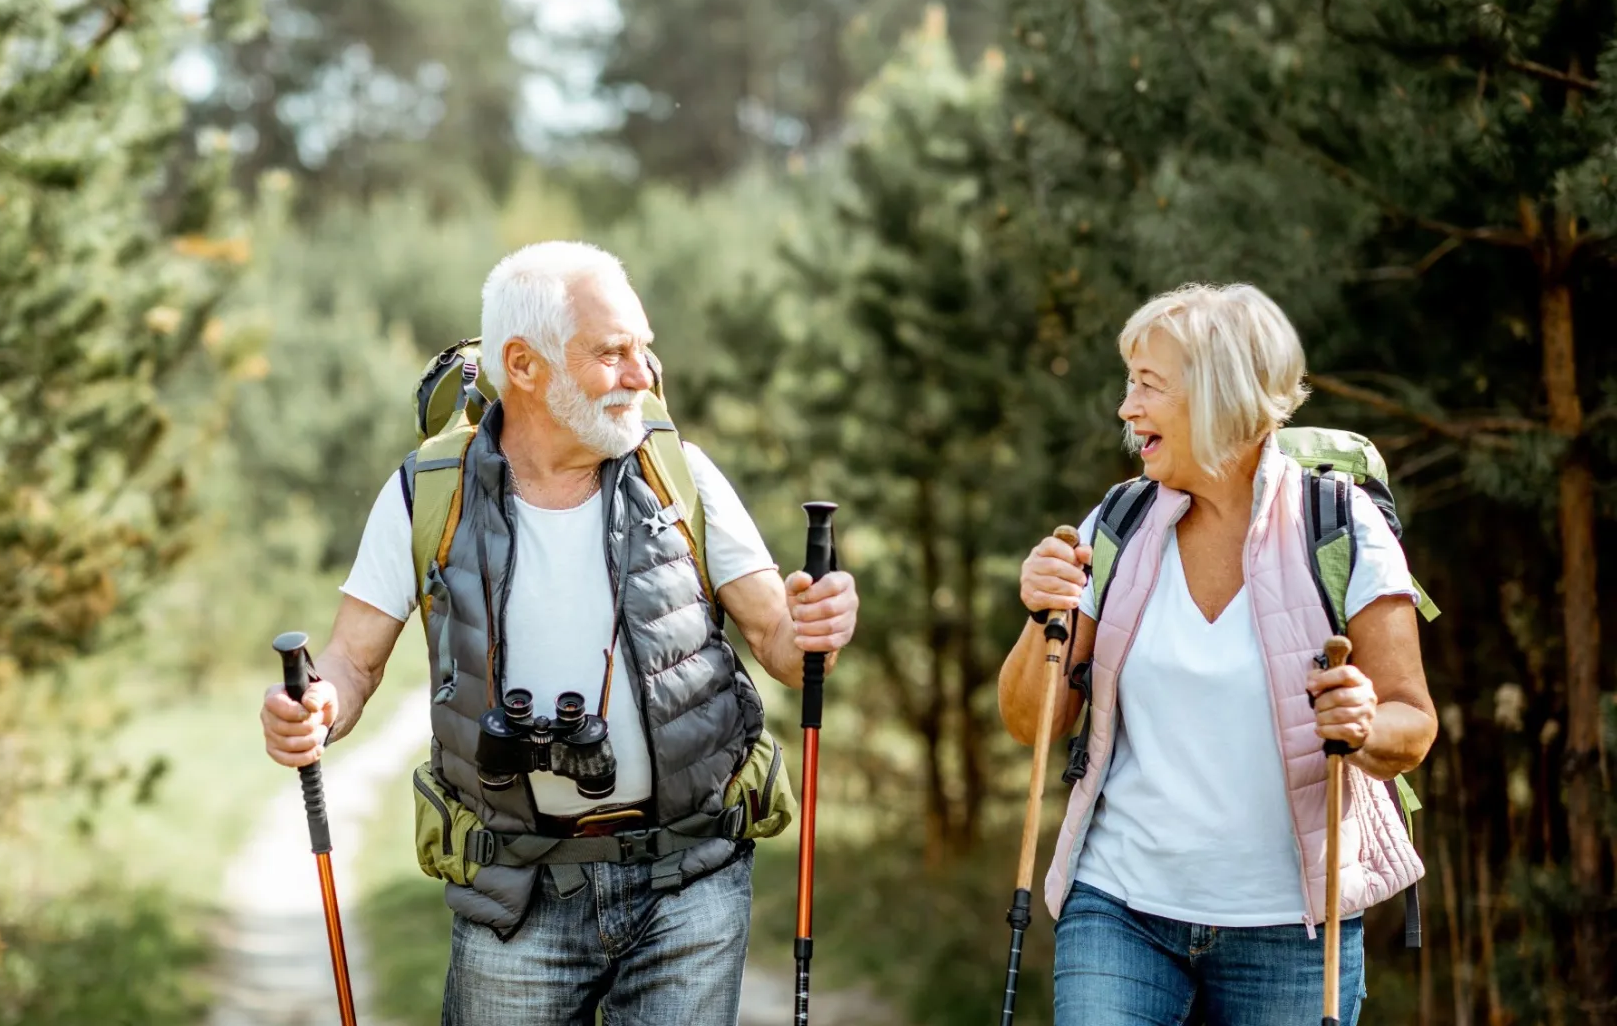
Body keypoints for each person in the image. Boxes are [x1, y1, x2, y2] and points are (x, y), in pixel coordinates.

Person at [258, 241, 859, 1025]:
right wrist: (314, 707)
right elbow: (350, 661)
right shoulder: (427, 492)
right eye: (612, 354)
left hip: (690, 881)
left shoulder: (679, 473)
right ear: (526, 364)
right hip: (515, 890)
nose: (641, 375)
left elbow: (782, 645)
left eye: (643, 348)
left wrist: (816, 622)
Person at [999, 283, 1437, 1026]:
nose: (1126, 408)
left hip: (1291, 931)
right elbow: (1030, 721)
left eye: (1148, 386)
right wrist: (1040, 614)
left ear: (1219, 397)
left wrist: (1364, 723)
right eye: (1129, 383)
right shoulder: (1118, 522)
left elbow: (1412, 725)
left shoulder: (1339, 526)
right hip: (1120, 907)